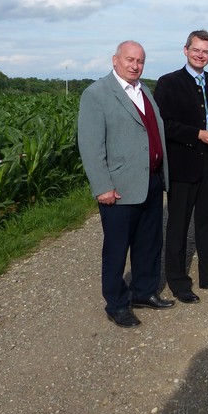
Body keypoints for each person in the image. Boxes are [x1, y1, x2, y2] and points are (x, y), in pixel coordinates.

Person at [78, 40, 175, 328]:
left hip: (150, 181)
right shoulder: (97, 94)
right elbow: (91, 146)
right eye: (130, 60)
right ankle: (117, 303)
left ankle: (144, 291)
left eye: (140, 61)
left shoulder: (143, 90)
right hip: (119, 188)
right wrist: (102, 186)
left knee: (149, 243)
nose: (135, 65)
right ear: (115, 60)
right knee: (117, 248)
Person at [154, 30, 208, 306]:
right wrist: (197, 134)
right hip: (182, 167)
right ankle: (179, 282)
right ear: (186, 50)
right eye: (196, 50)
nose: (201, 55)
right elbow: (164, 123)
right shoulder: (168, 83)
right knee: (178, 226)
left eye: (206, 52)